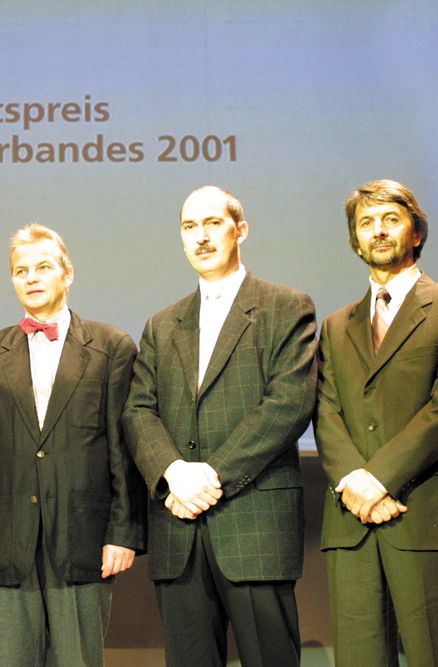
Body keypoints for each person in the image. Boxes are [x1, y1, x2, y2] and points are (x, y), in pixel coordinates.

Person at [123, 186, 316, 667]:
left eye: (212, 224)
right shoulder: (161, 324)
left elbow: (288, 404)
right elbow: (138, 411)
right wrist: (173, 471)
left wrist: (209, 476)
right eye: (190, 227)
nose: (201, 237)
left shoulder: (286, 306)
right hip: (179, 529)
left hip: (253, 524)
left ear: (240, 230)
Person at [0, 223, 145, 666]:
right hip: (4, 542)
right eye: (20, 270)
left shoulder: (112, 347)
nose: (31, 278)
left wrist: (122, 531)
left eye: (42, 267)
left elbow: (122, 446)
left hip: (83, 540)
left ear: (67, 273)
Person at [315, 179, 438, 666]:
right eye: (366, 223)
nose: (379, 231)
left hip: (424, 511)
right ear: (355, 241)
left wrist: (378, 479)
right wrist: (355, 481)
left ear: (415, 233)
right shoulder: (335, 325)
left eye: (391, 219)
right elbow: (326, 412)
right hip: (352, 518)